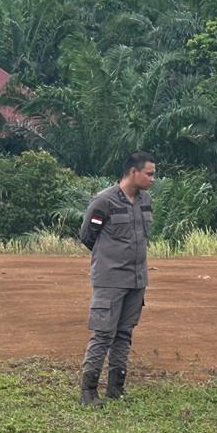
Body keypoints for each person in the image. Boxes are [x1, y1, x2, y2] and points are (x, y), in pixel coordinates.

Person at [77, 151, 156, 408]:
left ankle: (116, 388)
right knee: (103, 334)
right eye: (149, 173)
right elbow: (88, 236)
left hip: (136, 279)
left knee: (124, 334)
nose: (153, 179)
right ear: (133, 172)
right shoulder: (104, 202)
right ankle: (88, 391)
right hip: (110, 280)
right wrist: (110, 260)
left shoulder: (145, 201)